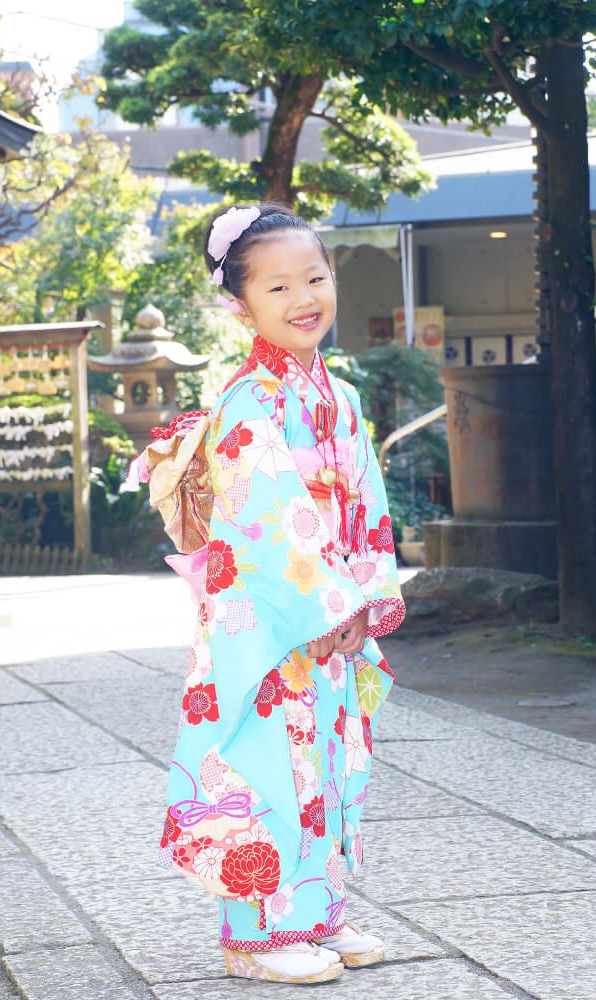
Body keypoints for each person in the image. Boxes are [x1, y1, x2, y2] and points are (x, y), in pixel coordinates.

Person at [154, 202, 406, 985]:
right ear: (241, 305)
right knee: (267, 762)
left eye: (316, 277)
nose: (305, 298)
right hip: (265, 619)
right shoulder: (245, 400)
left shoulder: (343, 397)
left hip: (326, 617)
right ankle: (252, 936)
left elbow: (367, 505)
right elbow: (265, 523)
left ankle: (316, 913)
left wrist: (362, 601)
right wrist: (326, 606)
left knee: (331, 757)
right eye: (278, 286)